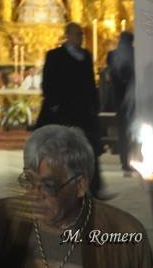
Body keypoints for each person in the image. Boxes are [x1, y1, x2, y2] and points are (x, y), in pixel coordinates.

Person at [0, 124, 153, 267]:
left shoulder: (123, 234)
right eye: (29, 180)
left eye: (48, 185)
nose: (34, 194)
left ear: (80, 185)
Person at [35, 22, 104, 196]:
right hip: (62, 111)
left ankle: (94, 187)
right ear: (68, 35)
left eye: (81, 34)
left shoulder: (86, 56)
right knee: (61, 150)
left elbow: (90, 83)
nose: (80, 38)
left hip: (83, 110)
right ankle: (59, 186)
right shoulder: (55, 55)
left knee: (88, 148)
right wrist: (54, 104)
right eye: (77, 34)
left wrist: (95, 104)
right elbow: (48, 81)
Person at [107, 31, 135, 174]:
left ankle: (126, 161)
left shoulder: (113, 55)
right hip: (128, 97)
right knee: (127, 130)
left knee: (125, 131)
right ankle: (128, 160)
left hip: (123, 97)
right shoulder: (133, 54)